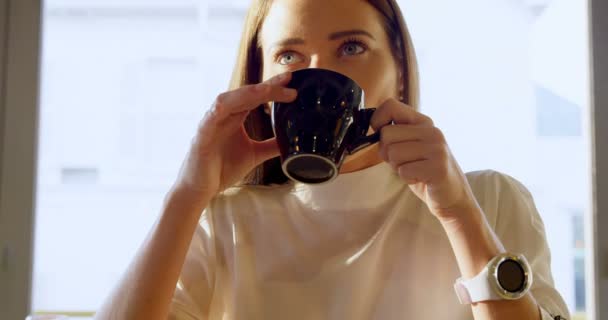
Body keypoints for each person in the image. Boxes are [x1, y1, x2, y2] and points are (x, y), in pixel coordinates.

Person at [94, 0, 570, 319]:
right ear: (262, 90)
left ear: (400, 71)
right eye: (288, 56)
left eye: (351, 47)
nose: (319, 73)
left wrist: (458, 214)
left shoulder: (489, 200)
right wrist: (188, 194)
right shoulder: (223, 222)